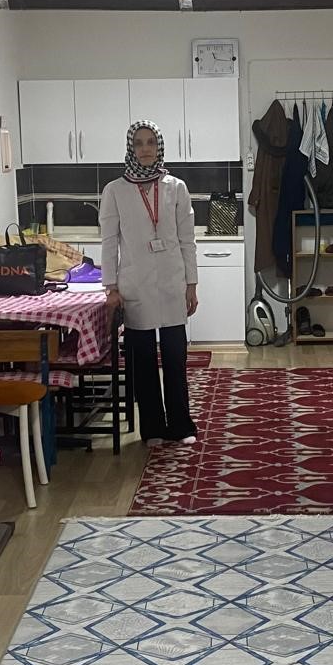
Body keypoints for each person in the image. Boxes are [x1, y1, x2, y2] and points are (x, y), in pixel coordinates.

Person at [101, 119, 200, 445]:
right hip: (136, 283)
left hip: (172, 280)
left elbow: (187, 240)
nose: (145, 149)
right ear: (131, 148)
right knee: (142, 359)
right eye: (139, 143)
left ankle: (181, 425)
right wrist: (111, 287)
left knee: (175, 356)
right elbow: (109, 242)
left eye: (151, 143)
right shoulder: (115, 191)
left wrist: (191, 284)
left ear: (159, 147)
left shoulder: (176, 187)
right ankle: (153, 428)